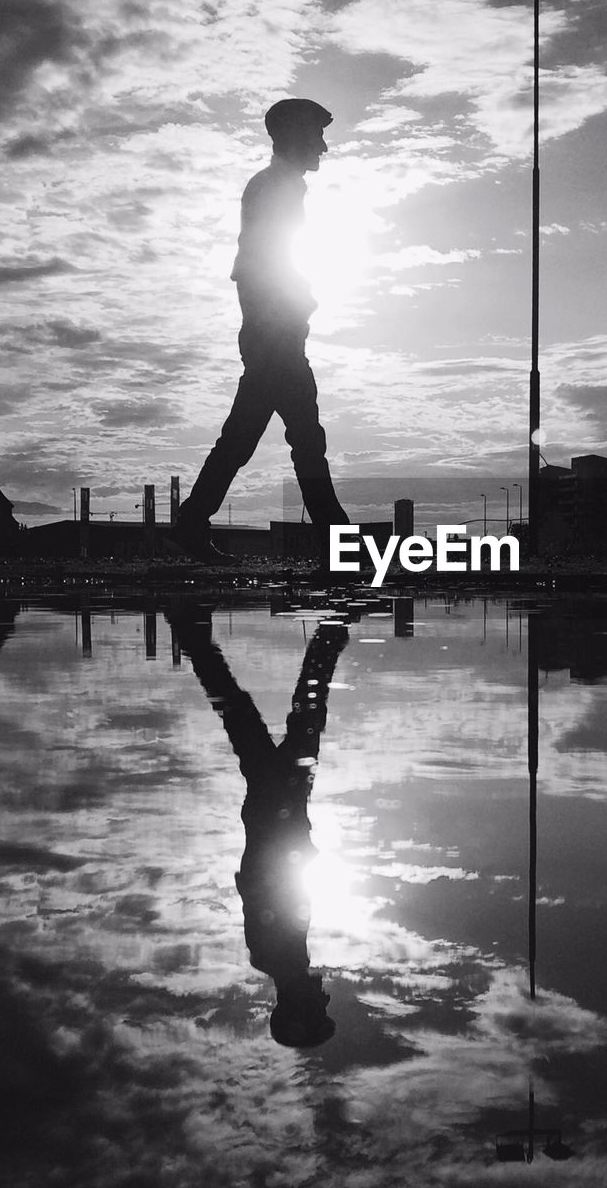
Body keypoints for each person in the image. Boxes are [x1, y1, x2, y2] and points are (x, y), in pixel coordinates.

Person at [172, 98, 348, 563]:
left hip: (278, 335)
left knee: (259, 438)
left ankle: (192, 524)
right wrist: (287, 316)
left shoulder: (280, 187)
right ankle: (338, 542)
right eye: (317, 136)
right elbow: (256, 267)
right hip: (276, 337)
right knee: (298, 441)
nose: (324, 147)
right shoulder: (273, 189)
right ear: (293, 138)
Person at [165, 601, 347, 1046]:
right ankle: (190, 630)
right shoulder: (277, 957)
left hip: (276, 806)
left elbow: (260, 883)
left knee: (294, 705)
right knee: (250, 708)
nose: (324, 998)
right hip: (277, 809)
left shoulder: (277, 955)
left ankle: (332, 626)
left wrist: (291, 845)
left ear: (298, 1007)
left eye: (318, 1008)